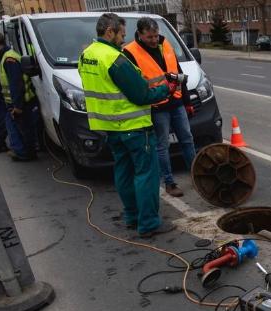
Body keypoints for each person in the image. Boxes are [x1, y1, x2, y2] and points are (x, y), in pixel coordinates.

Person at [78, 13, 177, 238]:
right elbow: (140, 94)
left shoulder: (87, 55)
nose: (123, 39)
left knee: (123, 171)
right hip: (133, 126)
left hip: (109, 126)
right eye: (121, 34)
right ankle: (149, 223)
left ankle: (132, 216)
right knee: (146, 174)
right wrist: (166, 89)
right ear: (110, 32)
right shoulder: (115, 58)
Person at [122, 17, 196, 198]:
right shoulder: (130, 52)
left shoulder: (165, 44)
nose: (154, 40)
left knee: (187, 138)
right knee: (162, 145)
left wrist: (186, 102)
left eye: (156, 36)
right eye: (149, 37)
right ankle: (170, 183)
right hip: (157, 105)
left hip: (176, 102)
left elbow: (178, 74)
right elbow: (135, 83)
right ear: (140, 35)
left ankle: (196, 175)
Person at [0, 30, 40, 161]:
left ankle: (26, 153)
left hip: (20, 102)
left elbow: (16, 83)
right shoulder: (5, 55)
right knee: (13, 126)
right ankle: (21, 151)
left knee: (22, 128)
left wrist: (17, 105)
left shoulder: (8, 58)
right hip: (15, 101)